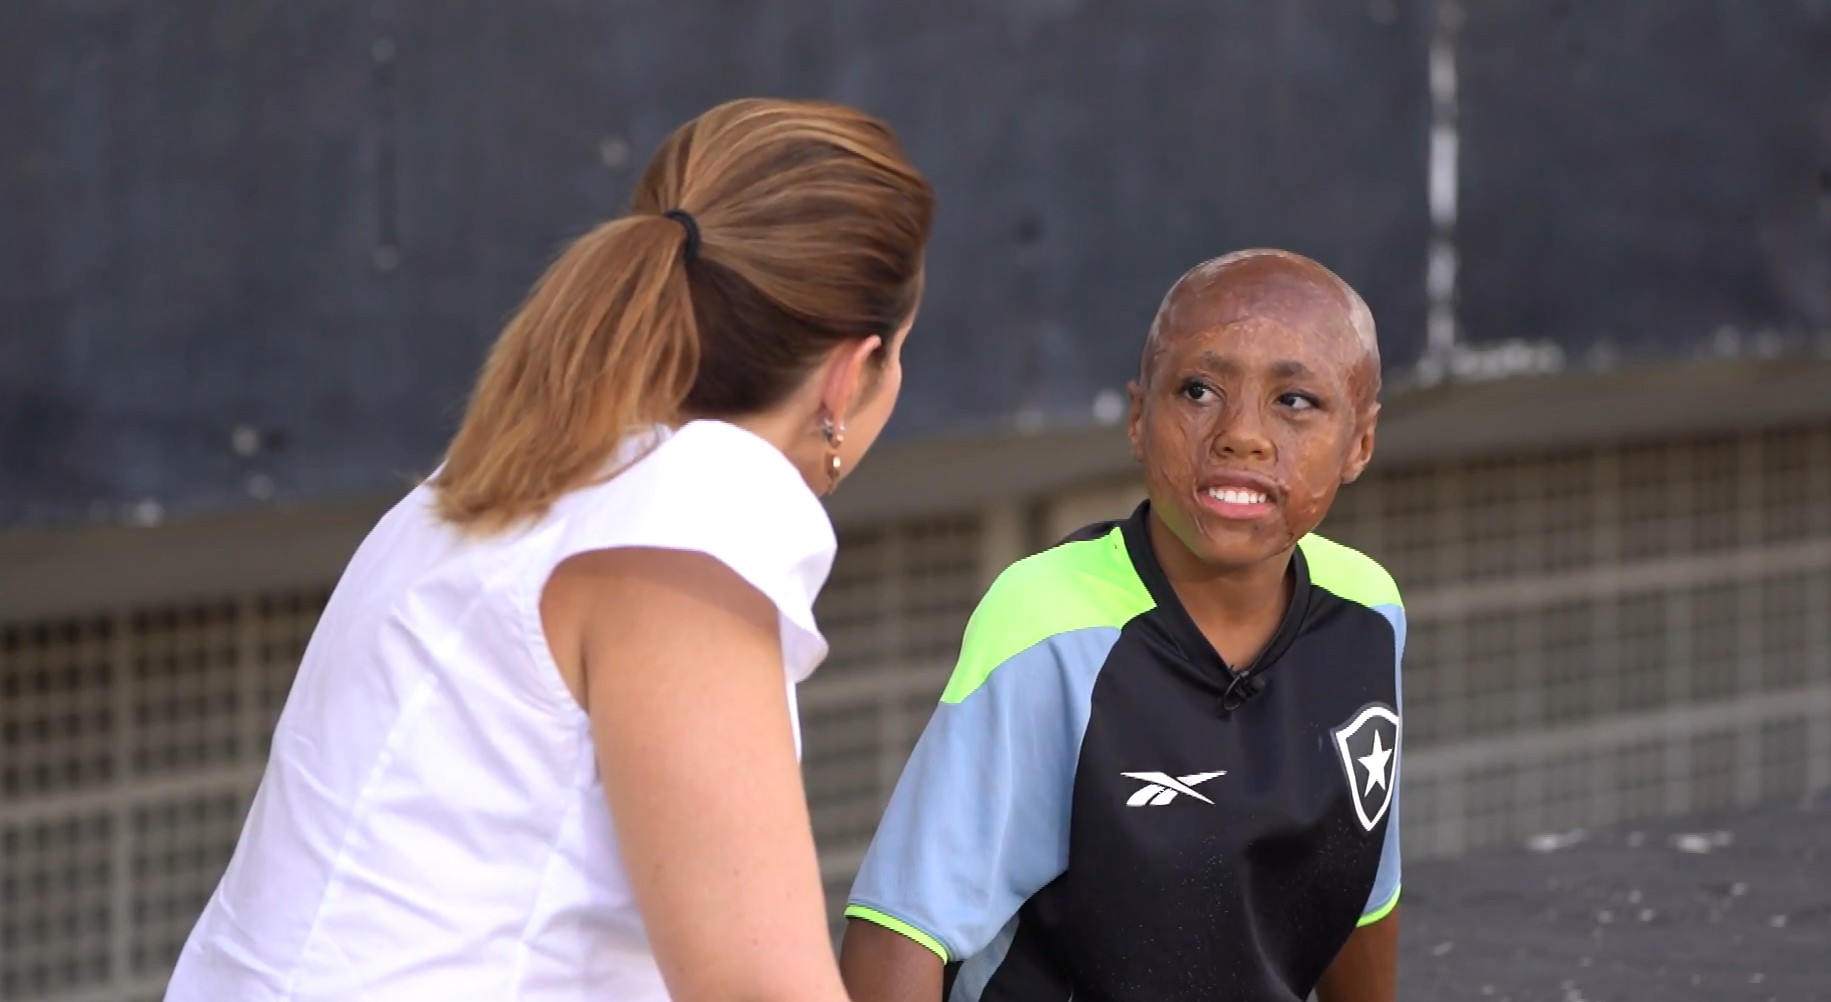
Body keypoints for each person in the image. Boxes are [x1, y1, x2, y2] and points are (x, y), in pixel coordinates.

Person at [165, 98, 934, 1002]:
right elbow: (755, 986)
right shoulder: (693, 512)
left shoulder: (541, 463)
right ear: (849, 375)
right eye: (902, 355)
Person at [838, 249, 1403, 1002]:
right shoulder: (1048, 621)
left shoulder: (1367, 611)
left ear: (1359, 442)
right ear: (1138, 419)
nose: (1242, 435)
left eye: (1294, 401)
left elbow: (1361, 885)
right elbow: (898, 931)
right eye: (1198, 390)